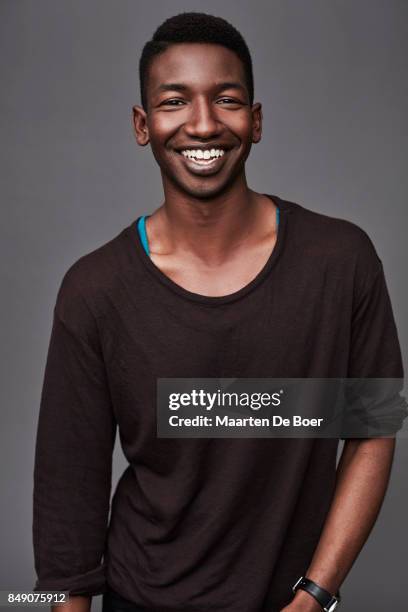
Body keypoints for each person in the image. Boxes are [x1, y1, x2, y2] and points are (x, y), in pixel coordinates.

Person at [33, 11, 407, 612]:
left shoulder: (341, 261)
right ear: (143, 124)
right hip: (142, 598)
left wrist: (317, 593)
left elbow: (373, 428)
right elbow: (66, 492)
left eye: (227, 99)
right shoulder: (94, 290)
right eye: (175, 101)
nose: (203, 124)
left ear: (255, 122)